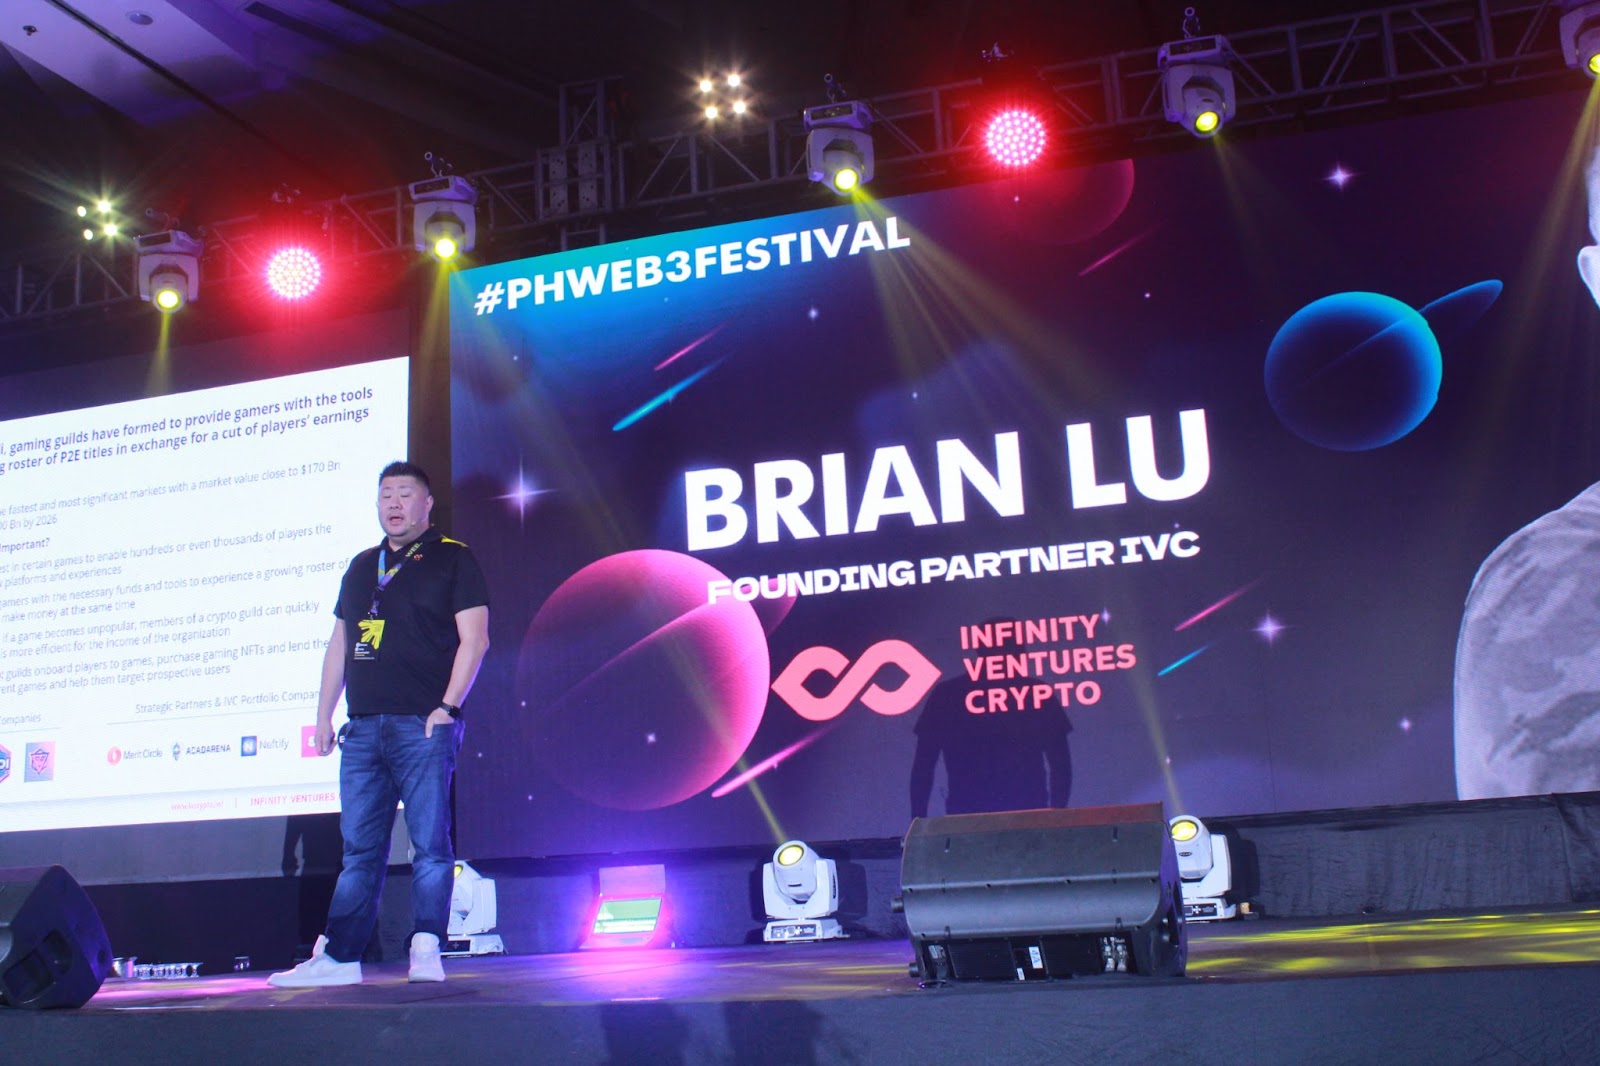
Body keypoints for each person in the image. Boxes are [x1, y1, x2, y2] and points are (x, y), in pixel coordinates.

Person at [269, 461, 490, 987]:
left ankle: (426, 946)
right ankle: (341, 957)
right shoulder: (361, 565)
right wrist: (323, 715)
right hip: (363, 728)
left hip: (423, 724)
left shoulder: (453, 558)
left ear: (426, 504)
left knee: (429, 845)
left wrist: (448, 707)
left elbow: (476, 639)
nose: (394, 502)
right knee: (360, 850)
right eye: (386, 493)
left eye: (405, 493)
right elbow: (340, 643)